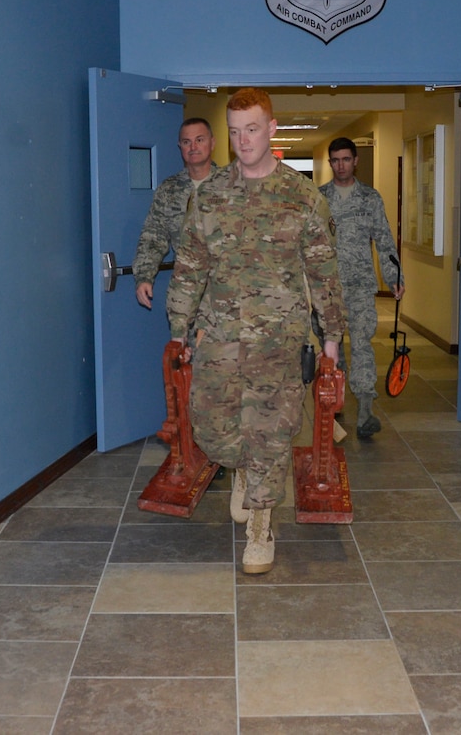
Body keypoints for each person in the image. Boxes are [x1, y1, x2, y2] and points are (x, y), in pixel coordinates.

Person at [166, 88, 345, 575]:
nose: (243, 140)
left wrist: (331, 338)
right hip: (218, 335)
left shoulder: (301, 196)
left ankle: (261, 527)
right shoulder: (210, 197)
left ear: (271, 129)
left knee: (270, 431)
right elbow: (189, 267)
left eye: (252, 129)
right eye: (235, 130)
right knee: (214, 428)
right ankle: (242, 470)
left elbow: (323, 271)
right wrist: (180, 329)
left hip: (278, 340)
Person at [318, 137, 404, 438]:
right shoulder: (319, 199)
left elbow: (384, 240)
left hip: (360, 286)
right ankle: (333, 409)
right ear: (330, 163)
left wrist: (393, 276)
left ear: (356, 161)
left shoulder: (370, 198)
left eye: (345, 159)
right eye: (335, 160)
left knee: (363, 346)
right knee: (332, 349)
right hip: (326, 288)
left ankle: (366, 411)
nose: (340, 165)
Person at [132, 117, 218, 309]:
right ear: (180, 146)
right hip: (187, 294)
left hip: (228, 296)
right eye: (187, 142)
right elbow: (153, 237)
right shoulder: (169, 190)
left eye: (200, 140)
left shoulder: (231, 187)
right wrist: (144, 277)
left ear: (212, 143)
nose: (193, 147)